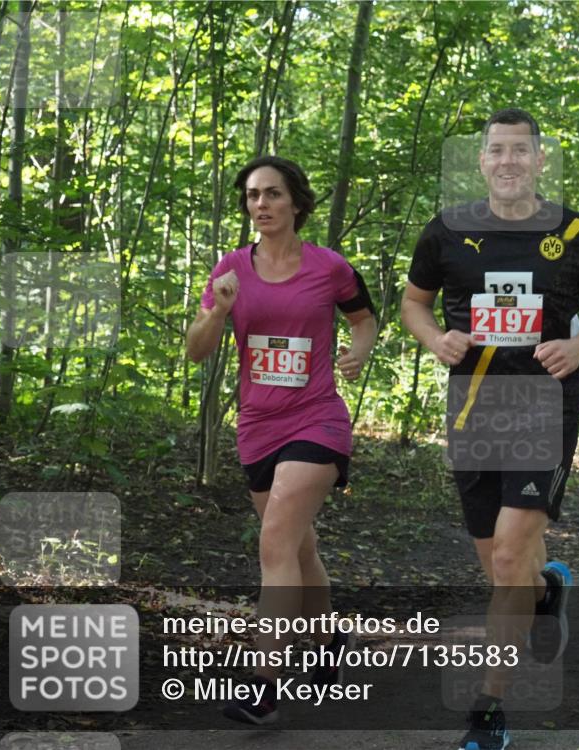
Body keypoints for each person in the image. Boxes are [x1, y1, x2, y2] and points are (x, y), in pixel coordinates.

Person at [401, 108, 579, 750]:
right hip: (473, 408)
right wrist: (433, 338)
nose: (507, 161)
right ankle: (546, 587)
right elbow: (413, 304)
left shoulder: (577, 232)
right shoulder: (446, 231)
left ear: (539, 159)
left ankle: (488, 708)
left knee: (507, 556)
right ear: (481, 161)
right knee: (502, 568)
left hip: (544, 407)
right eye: (496, 151)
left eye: (519, 151)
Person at [186, 155, 376, 724]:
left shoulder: (330, 267)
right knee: (298, 547)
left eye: (271, 194)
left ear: (296, 202)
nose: (260, 205)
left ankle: (264, 681)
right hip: (258, 426)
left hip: (317, 419)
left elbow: (364, 318)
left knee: (274, 541)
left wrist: (360, 348)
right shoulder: (229, 270)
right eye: (251, 196)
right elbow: (196, 350)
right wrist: (217, 313)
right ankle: (327, 640)